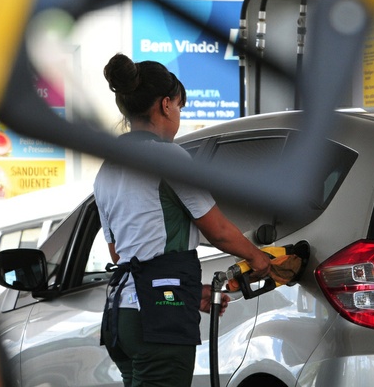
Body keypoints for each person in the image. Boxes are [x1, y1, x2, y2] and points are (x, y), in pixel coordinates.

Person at [94, 53, 271, 387]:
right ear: (165, 105)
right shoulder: (168, 157)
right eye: (179, 106)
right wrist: (258, 258)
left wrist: (188, 292)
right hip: (158, 320)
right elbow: (217, 230)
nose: (179, 115)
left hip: (122, 317)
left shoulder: (108, 168)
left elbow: (121, 253)